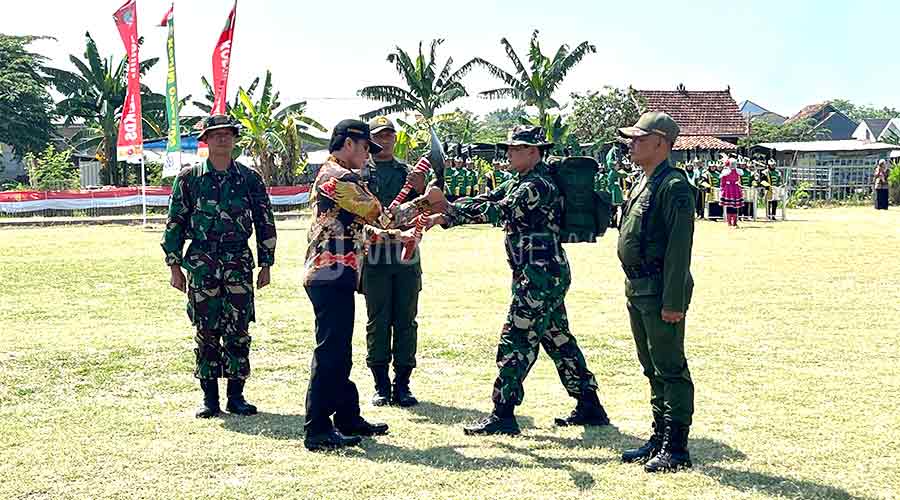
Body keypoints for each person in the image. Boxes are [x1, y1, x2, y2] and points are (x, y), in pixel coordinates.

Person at [425, 126, 610, 436]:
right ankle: (590, 405)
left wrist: (447, 210)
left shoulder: (537, 186)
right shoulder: (520, 181)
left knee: (517, 338)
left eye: (516, 148)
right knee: (558, 339)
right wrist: (447, 212)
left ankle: (503, 413)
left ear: (534, 152)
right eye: (509, 147)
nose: (508, 152)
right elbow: (487, 199)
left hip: (540, 276)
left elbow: (501, 211)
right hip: (539, 273)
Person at [302, 119, 432, 451]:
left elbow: (358, 228)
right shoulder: (339, 178)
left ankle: (346, 416)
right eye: (365, 148)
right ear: (348, 144)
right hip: (330, 275)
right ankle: (317, 428)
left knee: (339, 350)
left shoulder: (338, 176)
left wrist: (396, 236)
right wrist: (426, 202)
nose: (368, 155)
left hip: (335, 274)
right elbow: (382, 215)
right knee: (331, 352)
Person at [161, 115, 277, 419]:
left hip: (238, 261)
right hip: (202, 263)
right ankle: (210, 399)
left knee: (238, 330)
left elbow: (265, 221)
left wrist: (266, 263)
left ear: (235, 139)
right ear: (206, 140)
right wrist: (174, 266)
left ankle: (236, 396)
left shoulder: (250, 178)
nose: (222, 139)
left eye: (227, 134)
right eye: (215, 135)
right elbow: (175, 222)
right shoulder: (189, 178)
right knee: (206, 330)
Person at [617, 112, 696, 473]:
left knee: (670, 367)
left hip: (660, 289)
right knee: (650, 366)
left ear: (661, 142)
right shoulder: (642, 182)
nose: (632, 144)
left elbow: (680, 249)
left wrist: (674, 302)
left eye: (639, 138)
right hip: (638, 287)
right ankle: (660, 436)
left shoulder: (673, 186)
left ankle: (676, 448)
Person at [362, 116, 426, 408]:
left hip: (406, 255)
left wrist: (422, 186)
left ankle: (403, 384)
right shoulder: (361, 172)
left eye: (388, 135)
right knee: (378, 321)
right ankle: (380, 384)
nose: (384, 140)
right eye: (379, 136)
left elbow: (433, 203)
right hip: (374, 256)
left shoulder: (410, 172)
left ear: (395, 138)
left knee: (405, 321)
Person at [720, 159, 744, 228]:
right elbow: (723, 180)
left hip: (735, 188)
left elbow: (739, 178)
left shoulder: (738, 171)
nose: (733, 165)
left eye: (734, 163)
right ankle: (729, 222)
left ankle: (735, 222)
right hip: (728, 189)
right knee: (729, 206)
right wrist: (722, 188)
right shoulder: (726, 171)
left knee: (735, 206)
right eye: (732, 163)